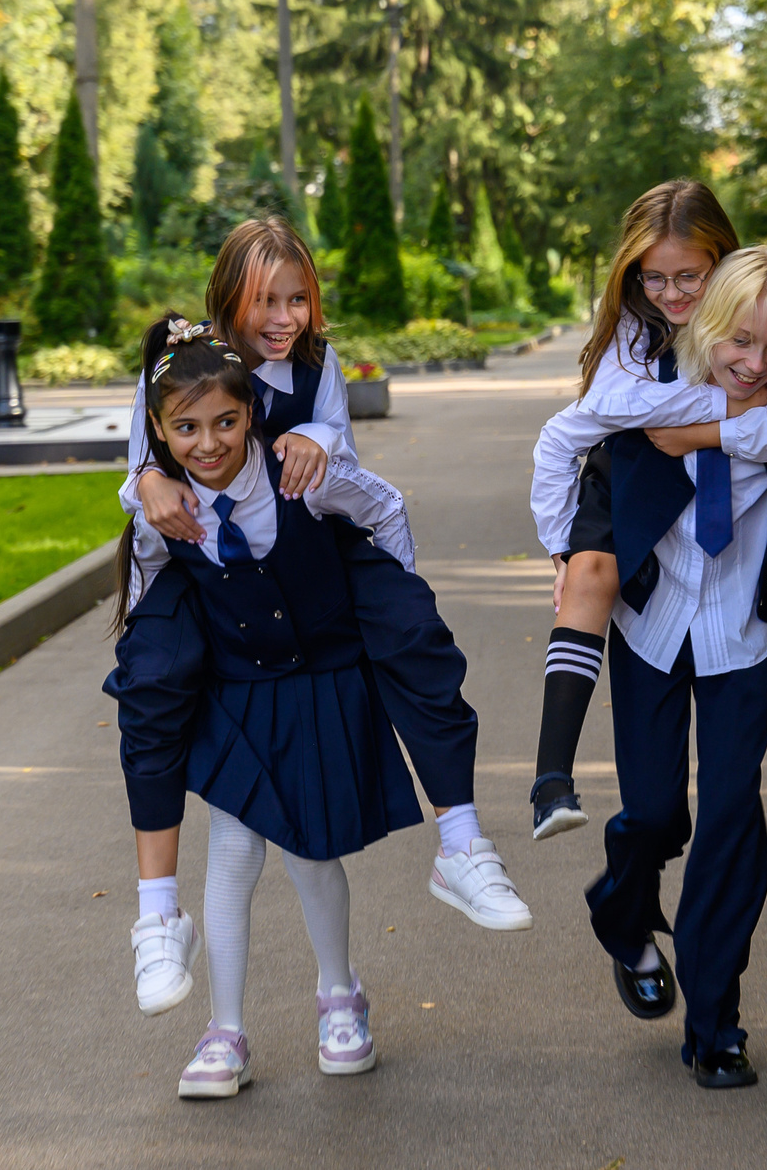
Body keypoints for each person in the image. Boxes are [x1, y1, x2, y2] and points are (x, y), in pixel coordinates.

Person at [117, 220, 527, 1021]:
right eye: (265, 300)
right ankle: (160, 919)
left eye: (298, 298)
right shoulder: (172, 372)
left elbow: (347, 466)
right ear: (226, 298)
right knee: (154, 684)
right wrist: (146, 483)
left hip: (312, 536)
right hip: (203, 569)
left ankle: (461, 842)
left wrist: (317, 439)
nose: (284, 317)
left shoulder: (315, 365)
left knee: (413, 635)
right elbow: (142, 465)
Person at [104, 319, 423, 1098]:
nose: (209, 441)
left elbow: (381, 509)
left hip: (302, 679)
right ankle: (225, 1030)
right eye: (186, 428)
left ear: (251, 413)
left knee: (310, 847)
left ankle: (340, 994)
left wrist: (394, 611)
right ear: (159, 432)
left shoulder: (292, 477)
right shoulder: (163, 504)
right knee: (234, 847)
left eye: (226, 421)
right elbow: (150, 583)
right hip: (230, 683)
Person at [527, 181, 767, 839]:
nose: (672, 294)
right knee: (588, 576)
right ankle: (550, 777)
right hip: (637, 515)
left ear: (722, 265)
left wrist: (712, 431)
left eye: (690, 277)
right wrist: (560, 546)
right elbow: (596, 419)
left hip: (744, 565)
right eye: (655, 278)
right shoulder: (632, 342)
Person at [584, 247, 767, 1089]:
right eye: (743, 343)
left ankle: (716, 1020)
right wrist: (570, 553)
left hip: (740, 633)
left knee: (733, 814)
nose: (757, 362)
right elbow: (572, 457)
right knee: (654, 812)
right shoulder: (641, 388)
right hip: (651, 627)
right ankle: (621, 909)